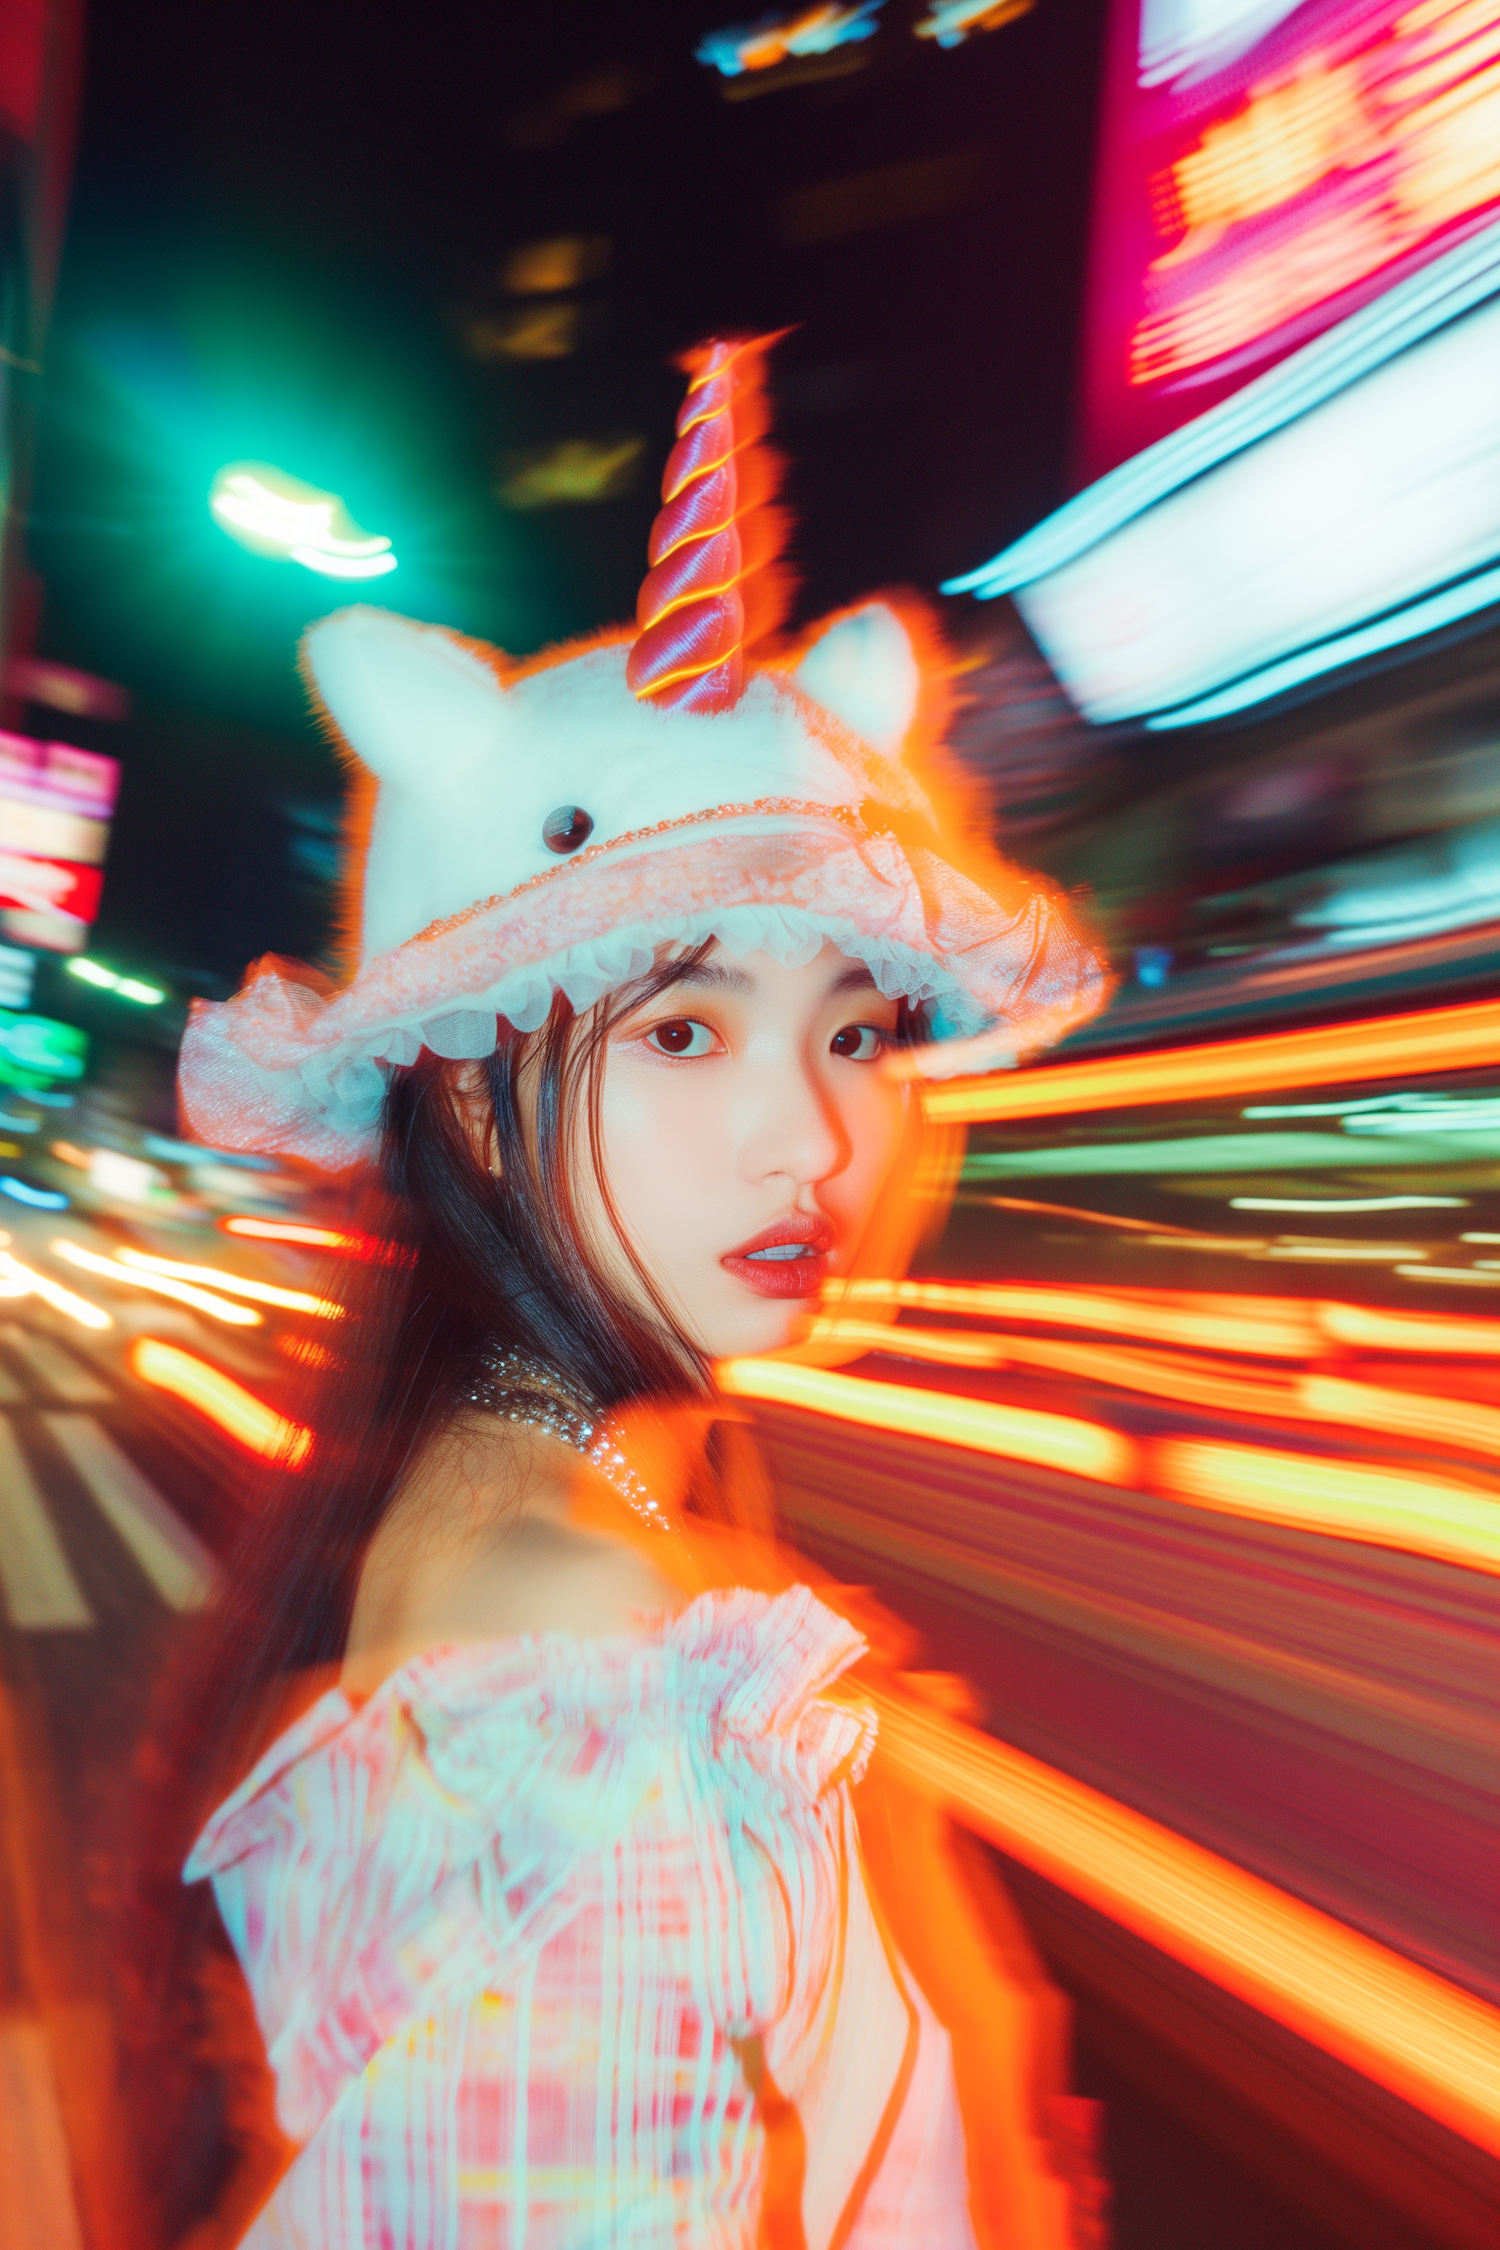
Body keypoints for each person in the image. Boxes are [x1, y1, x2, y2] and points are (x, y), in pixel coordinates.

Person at [164, 336, 1110, 2248]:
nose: (812, 1139)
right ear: (476, 1098)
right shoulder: (576, 1641)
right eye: (684, 1027)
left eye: (854, 1033)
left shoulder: (555, 1518)